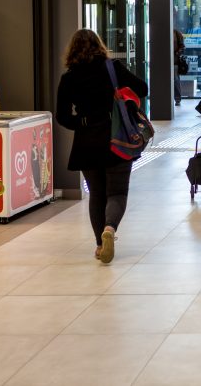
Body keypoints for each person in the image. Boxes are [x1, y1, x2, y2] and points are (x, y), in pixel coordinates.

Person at [55, 28, 148, 264]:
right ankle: (110, 228)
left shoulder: (69, 77)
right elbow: (143, 89)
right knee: (117, 192)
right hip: (117, 137)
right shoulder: (112, 68)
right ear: (99, 45)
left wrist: (83, 123)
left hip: (87, 140)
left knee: (96, 193)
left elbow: (62, 116)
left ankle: (99, 244)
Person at [173, 28, 185, 106]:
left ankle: (177, 99)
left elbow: (182, 46)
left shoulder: (176, 32)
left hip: (174, 61)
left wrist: (177, 54)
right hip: (165, 61)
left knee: (175, 80)